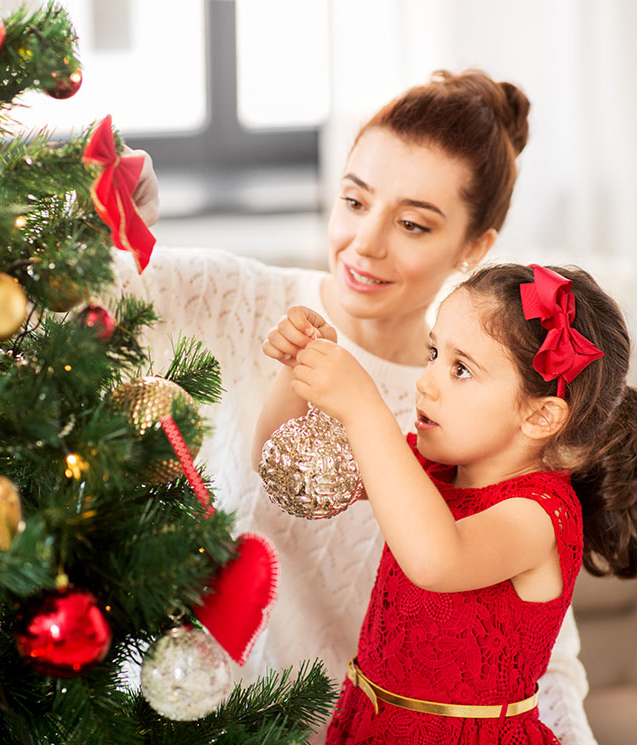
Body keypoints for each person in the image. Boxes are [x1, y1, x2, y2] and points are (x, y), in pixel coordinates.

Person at [115, 70, 598, 744]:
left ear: (473, 247)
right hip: (158, 712)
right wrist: (102, 198)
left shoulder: (465, 423)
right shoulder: (231, 296)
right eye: (353, 200)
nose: (366, 243)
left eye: (411, 224)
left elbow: (534, 650)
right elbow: (62, 283)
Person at [253, 263, 637, 744]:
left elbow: (436, 559)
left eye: (460, 368)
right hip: (368, 724)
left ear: (539, 415)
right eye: (433, 352)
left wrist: (365, 409)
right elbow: (283, 467)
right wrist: (296, 372)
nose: (426, 381)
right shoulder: (428, 470)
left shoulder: (539, 516)